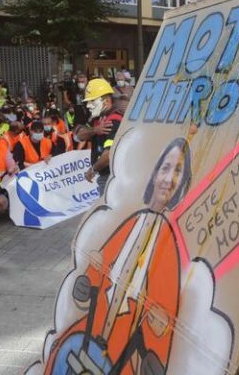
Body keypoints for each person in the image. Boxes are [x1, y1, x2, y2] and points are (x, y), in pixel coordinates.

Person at [45, 138, 192, 375]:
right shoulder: (133, 221)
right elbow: (96, 269)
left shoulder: (170, 239)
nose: (168, 179)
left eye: (178, 171)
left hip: (128, 343)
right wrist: (84, 287)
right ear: (154, 174)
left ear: (183, 183)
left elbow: (164, 314)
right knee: (61, 356)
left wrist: (151, 356)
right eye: (165, 168)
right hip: (94, 325)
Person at [80, 79, 122, 195]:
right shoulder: (97, 119)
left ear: (106, 101)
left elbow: (108, 155)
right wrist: (95, 130)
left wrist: (93, 170)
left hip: (112, 177)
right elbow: (78, 135)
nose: (88, 106)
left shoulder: (113, 121)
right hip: (107, 176)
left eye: (92, 101)